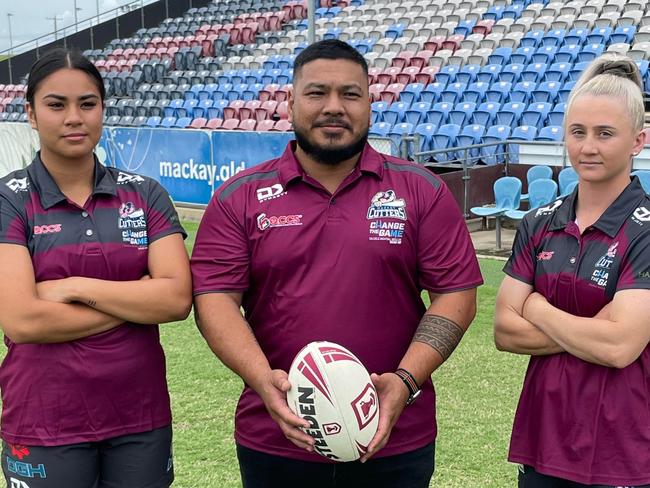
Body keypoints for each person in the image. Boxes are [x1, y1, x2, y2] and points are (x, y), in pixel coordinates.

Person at [191, 39, 483, 488]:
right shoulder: (240, 197)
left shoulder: (422, 191)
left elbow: (456, 295)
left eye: (350, 94)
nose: (334, 107)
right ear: (290, 102)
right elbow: (215, 300)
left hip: (396, 441)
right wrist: (261, 380)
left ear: (370, 101)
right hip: (275, 440)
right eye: (316, 93)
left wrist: (404, 383)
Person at [0, 48, 192, 488]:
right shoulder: (8, 199)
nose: (74, 117)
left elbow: (177, 299)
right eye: (56, 104)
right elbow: (23, 319)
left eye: (87, 103)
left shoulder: (145, 194)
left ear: (103, 109)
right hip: (43, 419)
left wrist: (70, 286)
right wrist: (136, 299)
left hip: (140, 419)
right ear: (30, 113)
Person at [494, 52, 650, 488]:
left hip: (625, 451)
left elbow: (619, 347)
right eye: (577, 132)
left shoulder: (647, 231)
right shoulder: (539, 222)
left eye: (605, 134)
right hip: (543, 445)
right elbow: (505, 331)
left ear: (638, 140)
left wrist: (539, 308)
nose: (588, 147)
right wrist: (592, 329)